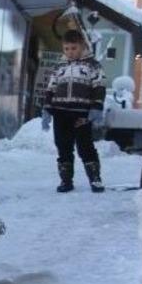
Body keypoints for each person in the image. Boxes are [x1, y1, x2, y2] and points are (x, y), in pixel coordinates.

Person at [42, 29, 106, 193]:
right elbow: (51, 88)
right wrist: (47, 110)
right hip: (60, 113)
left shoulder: (93, 65)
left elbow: (99, 87)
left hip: (81, 114)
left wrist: (96, 107)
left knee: (85, 146)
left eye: (74, 48)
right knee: (63, 146)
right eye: (66, 49)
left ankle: (95, 179)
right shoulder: (59, 66)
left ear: (82, 46)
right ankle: (66, 180)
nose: (70, 52)